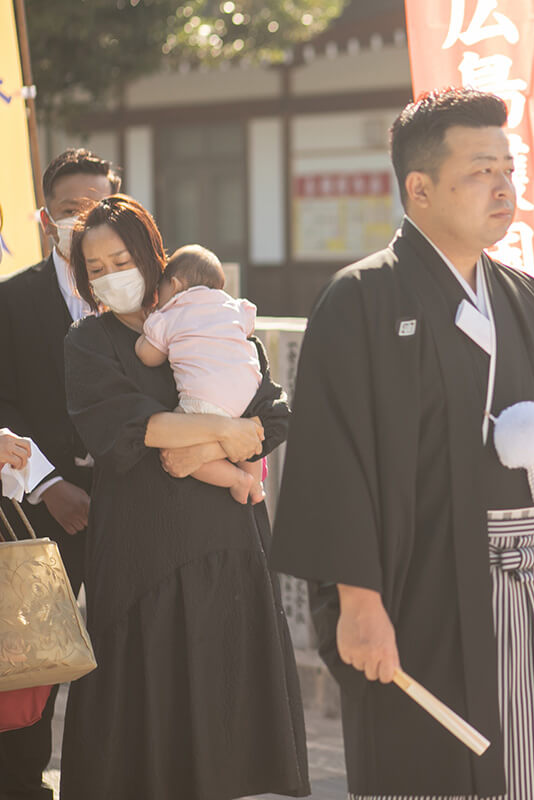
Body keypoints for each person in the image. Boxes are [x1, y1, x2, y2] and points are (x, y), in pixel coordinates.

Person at [270, 88, 534, 799]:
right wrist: (358, 603)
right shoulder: (361, 301)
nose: (504, 187)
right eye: (480, 171)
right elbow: (334, 464)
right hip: (420, 592)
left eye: (509, 168)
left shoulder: (526, 296)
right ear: (420, 188)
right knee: (431, 763)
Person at [60, 194, 309, 799]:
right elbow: (134, 428)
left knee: (224, 706)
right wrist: (224, 432)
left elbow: (272, 418)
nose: (111, 275)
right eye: (95, 269)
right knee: (142, 718)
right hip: (141, 554)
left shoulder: (210, 315)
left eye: (120, 258)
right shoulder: (89, 342)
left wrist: (204, 444)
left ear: (151, 254)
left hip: (227, 544)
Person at [0, 148, 116, 799]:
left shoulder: (140, 297)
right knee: (28, 671)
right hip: (34, 519)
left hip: (129, 513)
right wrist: (49, 483)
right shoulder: (11, 300)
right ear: (47, 218)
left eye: (96, 208)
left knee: (123, 663)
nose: (83, 220)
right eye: (70, 209)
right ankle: (24, 784)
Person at [136, 244, 265, 504]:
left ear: (173, 284)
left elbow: (148, 357)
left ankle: (239, 480)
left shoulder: (171, 313)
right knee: (250, 430)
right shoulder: (231, 305)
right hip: (248, 389)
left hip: (205, 399)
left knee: (177, 450)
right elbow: (248, 327)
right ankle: (258, 483)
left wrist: (146, 330)